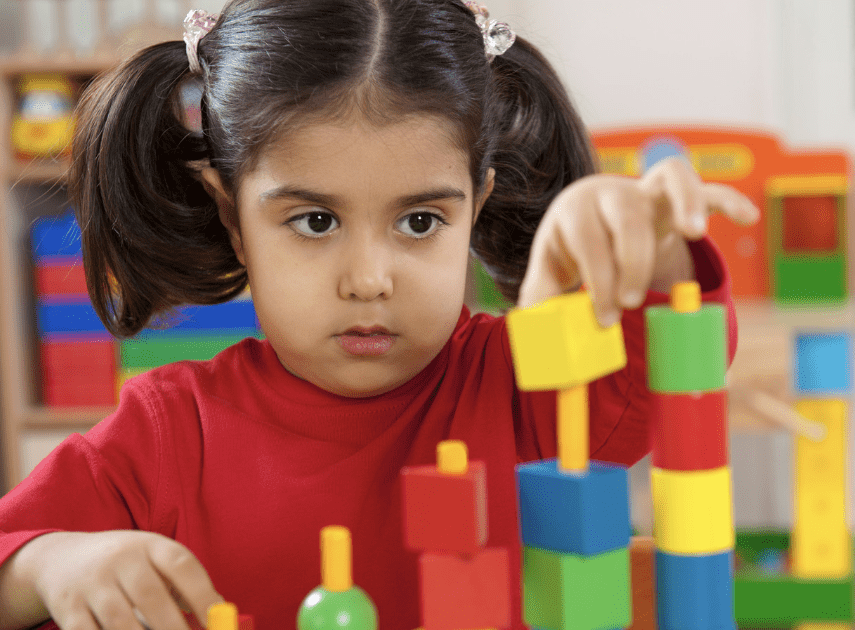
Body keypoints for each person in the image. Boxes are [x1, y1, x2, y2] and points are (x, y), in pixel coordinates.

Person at [0, 1, 759, 630]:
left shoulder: (529, 386)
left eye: (421, 222)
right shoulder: (167, 434)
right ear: (234, 219)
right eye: (315, 222)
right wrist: (54, 560)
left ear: (476, 208)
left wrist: (644, 251)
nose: (369, 280)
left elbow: (668, 359)